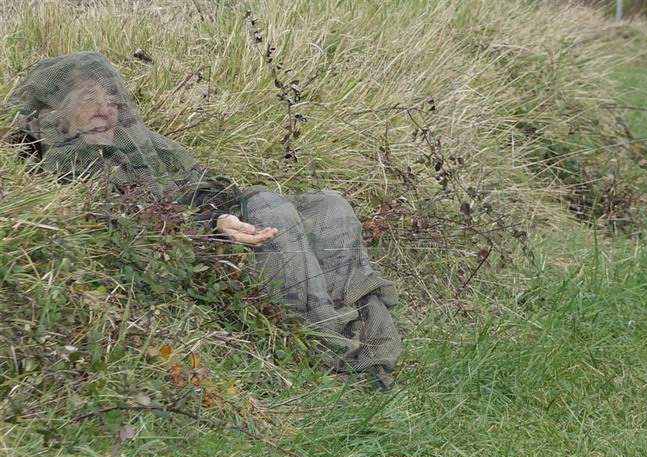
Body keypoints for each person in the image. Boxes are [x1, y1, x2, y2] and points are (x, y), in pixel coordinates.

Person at [10, 51, 401, 389]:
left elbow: (204, 184)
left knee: (328, 205)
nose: (105, 108)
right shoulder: (64, 165)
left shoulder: (146, 143)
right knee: (269, 206)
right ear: (58, 116)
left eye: (110, 98)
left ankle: (361, 329)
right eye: (88, 99)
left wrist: (220, 213)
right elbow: (132, 224)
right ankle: (325, 348)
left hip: (220, 226)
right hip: (190, 254)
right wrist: (212, 225)